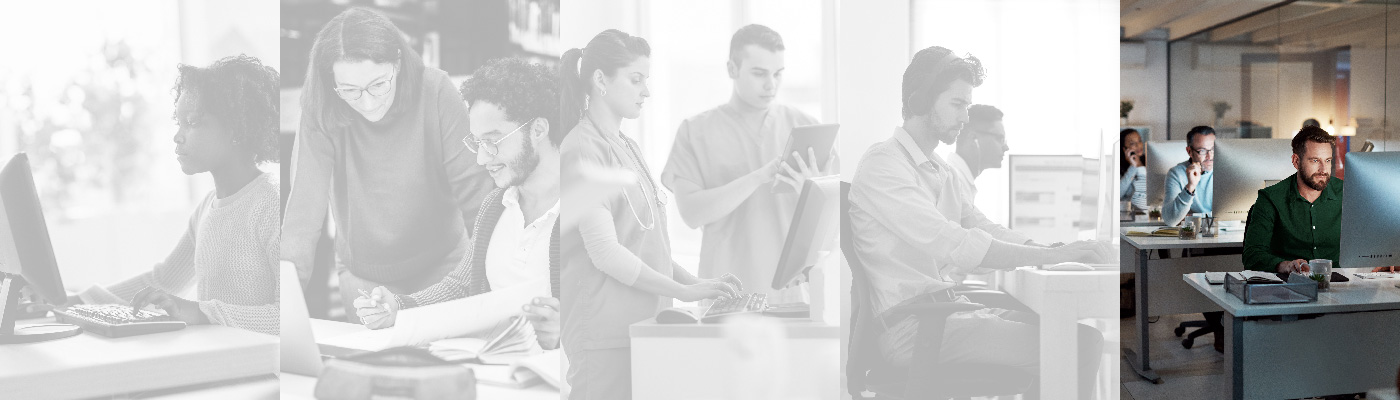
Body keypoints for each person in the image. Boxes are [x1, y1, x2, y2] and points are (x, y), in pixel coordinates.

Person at [847, 45, 1108, 396]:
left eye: (968, 105)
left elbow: (981, 227)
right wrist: (1054, 257)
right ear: (920, 101)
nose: (965, 116)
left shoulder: (939, 169)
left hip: (943, 316)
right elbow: (954, 241)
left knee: (1082, 337)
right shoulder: (884, 165)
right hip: (913, 330)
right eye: (957, 104)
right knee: (1077, 347)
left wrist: (1050, 249)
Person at [558, 29, 742, 400]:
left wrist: (698, 283)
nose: (647, 91)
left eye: (647, 79)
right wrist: (683, 291)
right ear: (600, 80)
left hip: (644, 326)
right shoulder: (581, 149)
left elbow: (646, 244)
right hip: (605, 335)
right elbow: (606, 253)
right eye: (636, 79)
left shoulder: (628, 146)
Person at [281, 8, 494, 320]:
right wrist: (284, 313)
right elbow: (302, 218)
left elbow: (478, 198)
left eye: (379, 84)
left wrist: (488, 281)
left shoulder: (436, 92)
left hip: (445, 266)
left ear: (397, 63)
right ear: (331, 83)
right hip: (364, 275)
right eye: (350, 90)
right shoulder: (320, 108)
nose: (368, 103)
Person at [350, 58, 561, 350]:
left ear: (538, 130)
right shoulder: (497, 206)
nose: (482, 159)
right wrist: (400, 307)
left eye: (492, 141)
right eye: (477, 143)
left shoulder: (585, 209)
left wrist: (567, 332)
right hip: (492, 370)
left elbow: (624, 312)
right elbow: (461, 286)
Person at [70, 55, 281, 336]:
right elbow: (163, 280)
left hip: (259, 368)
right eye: (178, 122)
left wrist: (200, 311)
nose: (178, 136)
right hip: (219, 360)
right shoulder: (207, 208)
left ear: (236, 129)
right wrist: (80, 301)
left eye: (192, 123)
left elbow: (284, 318)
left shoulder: (271, 204)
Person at [660, 24, 833, 297]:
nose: (771, 84)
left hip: (793, 294)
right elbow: (692, 213)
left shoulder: (806, 128)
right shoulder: (695, 132)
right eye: (759, 73)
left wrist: (809, 192)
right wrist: (757, 177)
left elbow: (832, 227)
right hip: (726, 293)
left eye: (778, 74)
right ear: (731, 69)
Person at [1242, 126, 1344, 274]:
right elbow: (1252, 256)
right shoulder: (1271, 198)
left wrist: (1382, 260)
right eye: (1315, 160)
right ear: (1296, 161)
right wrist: (1285, 266)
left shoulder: (1346, 192)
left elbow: (1368, 238)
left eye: (1327, 160)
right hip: (1288, 287)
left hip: (1340, 284)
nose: (1323, 169)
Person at [946, 104, 1010, 202]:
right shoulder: (952, 182)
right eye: (999, 138)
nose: (1006, 147)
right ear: (973, 138)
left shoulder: (960, 181)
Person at [1162, 125, 1216, 227]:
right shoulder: (1176, 173)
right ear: (1189, 151)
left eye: (1213, 149)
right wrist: (1190, 187)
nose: (1210, 156)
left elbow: (1234, 219)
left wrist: (1191, 217)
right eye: (1202, 151)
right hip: (1190, 236)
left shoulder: (1226, 171)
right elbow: (1170, 220)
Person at [1120, 128, 1147, 212]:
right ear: (1124, 149)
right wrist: (1133, 167)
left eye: (1139, 141)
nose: (1138, 145)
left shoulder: (1150, 161)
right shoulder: (1118, 167)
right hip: (1128, 214)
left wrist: (1140, 166)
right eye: (1132, 143)